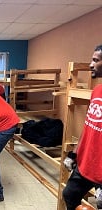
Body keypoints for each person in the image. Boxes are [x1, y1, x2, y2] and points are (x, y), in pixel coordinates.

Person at [62, 44, 102, 210]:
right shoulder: (97, 91)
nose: (90, 64)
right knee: (69, 195)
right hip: (86, 163)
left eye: (95, 60)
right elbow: (88, 127)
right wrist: (74, 154)